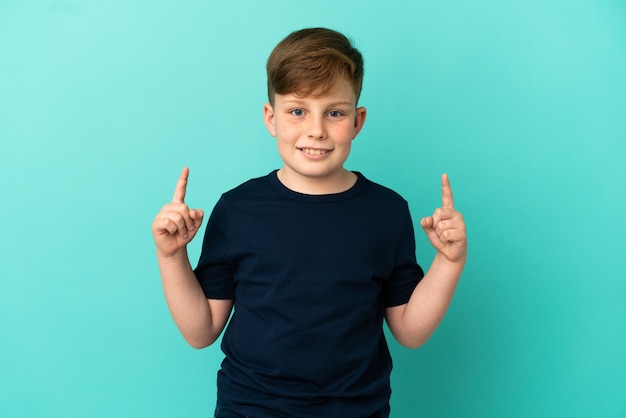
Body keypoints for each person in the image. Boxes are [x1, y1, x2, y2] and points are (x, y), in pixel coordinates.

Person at [152, 27, 467, 418]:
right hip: (251, 408)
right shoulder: (237, 209)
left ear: (357, 120)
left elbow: (409, 331)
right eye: (298, 111)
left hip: (357, 410)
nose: (316, 129)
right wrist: (171, 257)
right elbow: (201, 332)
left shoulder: (386, 211)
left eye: (334, 113)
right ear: (271, 117)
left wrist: (448, 264)